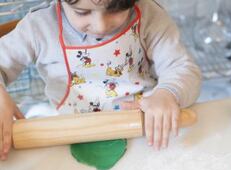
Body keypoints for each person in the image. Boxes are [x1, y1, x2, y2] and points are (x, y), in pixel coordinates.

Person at [0, 0, 201, 160]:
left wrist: (167, 94)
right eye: (82, 12)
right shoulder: (39, 28)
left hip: (144, 128)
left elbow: (183, 68)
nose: (101, 26)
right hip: (75, 130)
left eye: (115, 9)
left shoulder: (149, 14)